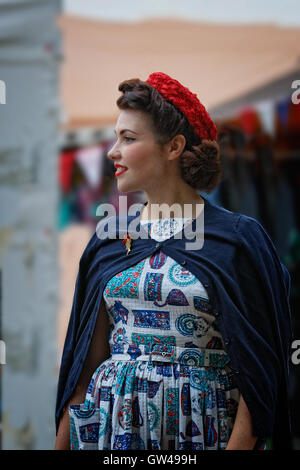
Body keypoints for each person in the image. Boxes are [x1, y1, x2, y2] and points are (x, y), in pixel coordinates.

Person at [54, 72, 292, 450]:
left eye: (128, 139)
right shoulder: (108, 239)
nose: (112, 151)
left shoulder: (237, 239)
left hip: (202, 431)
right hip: (114, 433)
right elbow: (84, 368)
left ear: (173, 146)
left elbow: (261, 372)